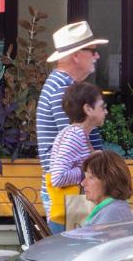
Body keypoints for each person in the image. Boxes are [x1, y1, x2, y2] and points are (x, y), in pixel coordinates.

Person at [36, 21, 107, 232]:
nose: (97, 56)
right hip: (71, 200)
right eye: (92, 50)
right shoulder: (63, 89)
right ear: (76, 55)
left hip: (72, 198)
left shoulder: (62, 85)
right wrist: (94, 169)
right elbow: (73, 140)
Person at [47, 81, 106, 228]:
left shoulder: (77, 134)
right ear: (88, 109)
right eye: (102, 107)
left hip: (70, 217)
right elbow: (58, 178)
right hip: (68, 219)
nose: (106, 112)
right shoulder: (75, 135)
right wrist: (85, 170)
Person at [80, 151, 133, 226]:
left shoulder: (114, 212)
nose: (82, 183)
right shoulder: (111, 208)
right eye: (85, 176)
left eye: (91, 177)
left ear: (110, 180)